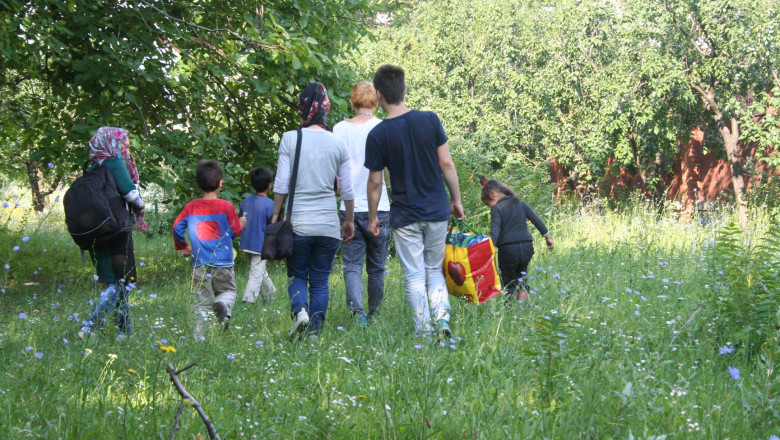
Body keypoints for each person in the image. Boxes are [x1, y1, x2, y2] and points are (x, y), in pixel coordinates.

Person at [365, 64, 465, 338]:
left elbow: (375, 183)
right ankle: (443, 320)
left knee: (413, 275)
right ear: (404, 91)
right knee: (434, 268)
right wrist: (456, 200)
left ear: (378, 95)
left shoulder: (377, 134)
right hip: (435, 209)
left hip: (405, 216)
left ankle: (424, 332)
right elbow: (446, 163)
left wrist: (373, 217)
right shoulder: (430, 119)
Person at [273, 82, 355, 340]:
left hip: (297, 223)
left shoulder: (290, 138)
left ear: (302, 107)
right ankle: (314, 334)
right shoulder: (337, 143)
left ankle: (300, 312)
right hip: (329, 226)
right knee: (320, 280)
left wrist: (276, 215)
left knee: (297, 274)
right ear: (325, 108)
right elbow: (348, 191)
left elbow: (281, 184)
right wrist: (349, 220)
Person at [78, 127, 146, 341]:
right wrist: (140, 202)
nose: (125, 145)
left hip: (97, 230)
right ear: (111, 142)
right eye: (122, 141)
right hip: (117, 229)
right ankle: (90, 327)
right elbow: (130, 194)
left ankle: (124, 332)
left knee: (117, 281)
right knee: (119, 282)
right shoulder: (114, 163)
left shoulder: (90, 168)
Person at [333, 81, 391, 327]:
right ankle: (375, 313)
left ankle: (357, 314)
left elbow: (335, 173)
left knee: (352, 265)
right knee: (377, 267)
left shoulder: (338, 129)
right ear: (376, 103)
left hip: (349, 207)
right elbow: (389, 170)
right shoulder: (383, 127)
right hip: (380, 206)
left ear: (352, 102)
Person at [172, 160, 246, 338]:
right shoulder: (226, 206)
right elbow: (234, 232)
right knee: (229, 291)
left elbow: (176, 227)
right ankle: (222, 303)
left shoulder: (191, 207)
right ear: (220, 183)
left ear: (197, 184)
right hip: (224, 263)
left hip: (200, 264)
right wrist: (242, 223)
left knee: (201, 303)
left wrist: (183, 246)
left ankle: (199, 338)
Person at [480, 176, 554, 301]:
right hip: (527, 247)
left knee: (509, 281)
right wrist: (548, 237)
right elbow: (537, 220)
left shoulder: (497, 208)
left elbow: (495, 230)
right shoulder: (521, 203)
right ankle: (523, 302)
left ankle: (510, 309)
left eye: (488, 204)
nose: (490, 207)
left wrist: (490, 249)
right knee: (522, 276)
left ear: (492, 194)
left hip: (508, 249)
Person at [238, 166, 277, 303]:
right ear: (269, 185)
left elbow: (240, 220)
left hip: (246, 243)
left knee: (259, 270)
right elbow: (273, 226)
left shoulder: (245, 201)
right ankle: (248, 301)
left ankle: (271, 296)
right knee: (256, 274)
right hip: (259, 245)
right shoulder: (271, 204)